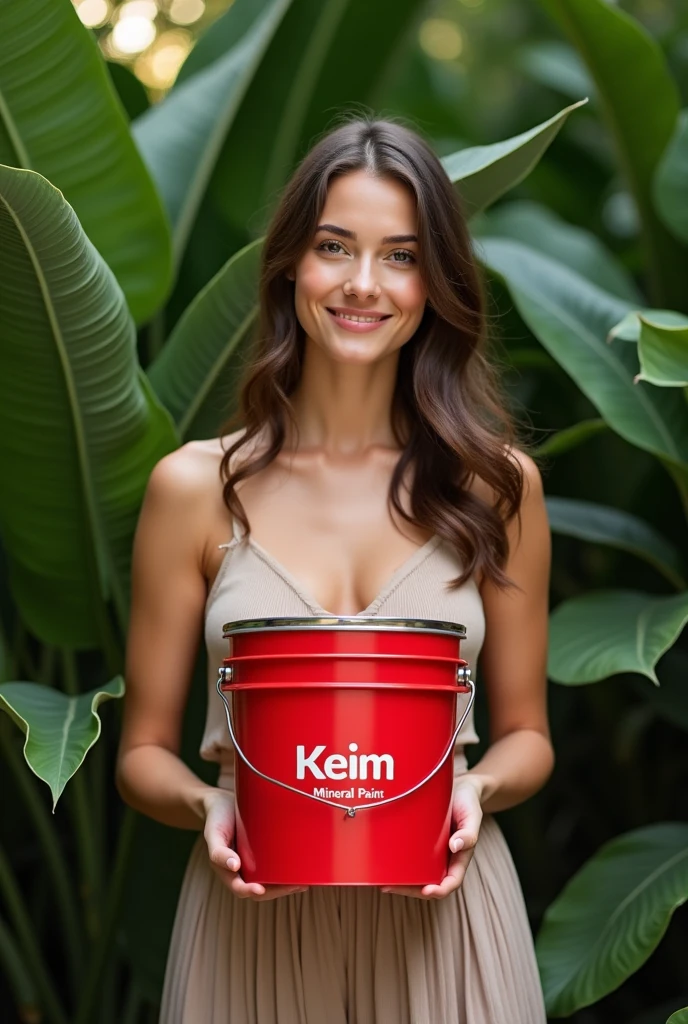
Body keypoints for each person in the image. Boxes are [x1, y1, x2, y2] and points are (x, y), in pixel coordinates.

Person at [117, 115, 553, 1023]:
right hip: (253, 932)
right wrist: (207, 808)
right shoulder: (196, 487)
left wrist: (475, 786)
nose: (363, 284)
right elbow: (143, 755)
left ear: (436, 283)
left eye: (400, 256)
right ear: (288, 266)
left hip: (444, 921)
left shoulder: (497, 487)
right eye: (334, 247)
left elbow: (526, 736)